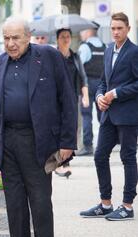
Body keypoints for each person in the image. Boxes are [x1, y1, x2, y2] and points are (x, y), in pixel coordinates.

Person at [0, 17, 77, 237]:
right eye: (6, 39)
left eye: (16, 38)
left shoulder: (48, 57)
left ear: (28, 37)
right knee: (15, 211)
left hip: (39, 144)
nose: (11, 44)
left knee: (40, 208)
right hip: (8, 144)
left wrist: (67, 141)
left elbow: (67, 99)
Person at [80, 12, 138, 221]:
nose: (115, 32)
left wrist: (116, 93)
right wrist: (98, 97)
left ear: (128, 29)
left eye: (119, 28)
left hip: (128, 116)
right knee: (99, 155)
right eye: (113, 28)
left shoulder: (134, 52)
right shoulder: (107, 51)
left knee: (128, 157)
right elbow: (104, 81)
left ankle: (127, 206)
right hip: (108, 116)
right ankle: (105, 203)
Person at [54, 28, 89, 178]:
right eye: (62, 37)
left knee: (71, 129)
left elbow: (83, 77)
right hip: (55, 100)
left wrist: (85, 96)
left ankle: (65, 162)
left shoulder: (75, 57)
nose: (66, 39)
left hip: (72, 99)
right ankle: (59, 163)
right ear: (57, 39)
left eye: (68, 36)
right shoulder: (53, 56)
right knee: (58, 129)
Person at [77, 24, 107, 156]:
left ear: (89, 32)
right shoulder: (105, 46)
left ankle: (88, 146)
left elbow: (78, 66)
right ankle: (106, 144)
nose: (81, 34)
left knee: (86, 115)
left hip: (88, 85)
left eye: (83, 31)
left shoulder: (85, 47)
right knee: (103, 116)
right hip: (102, 85)